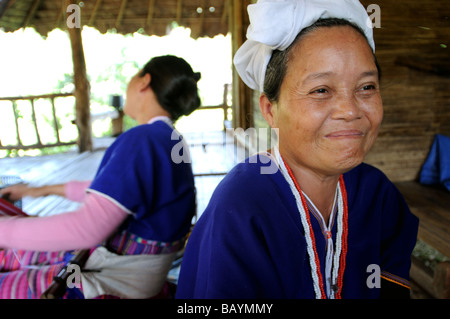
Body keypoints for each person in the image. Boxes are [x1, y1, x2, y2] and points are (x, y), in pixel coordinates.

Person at [176, 0, 419, 299]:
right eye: (321, 90)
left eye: (366, 87)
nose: (350, 110)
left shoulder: (379, 195)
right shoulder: (240, 208)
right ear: (270, 110)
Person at [0, 55, 201, 299]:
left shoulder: (143, 140)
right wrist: (39, 190)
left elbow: (88, 229)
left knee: (8, 262)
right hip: (135, 278)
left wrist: (5, 229)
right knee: (11, 253)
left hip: (108, 282)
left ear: (144, 82)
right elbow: (111, 193)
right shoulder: (170, 140)